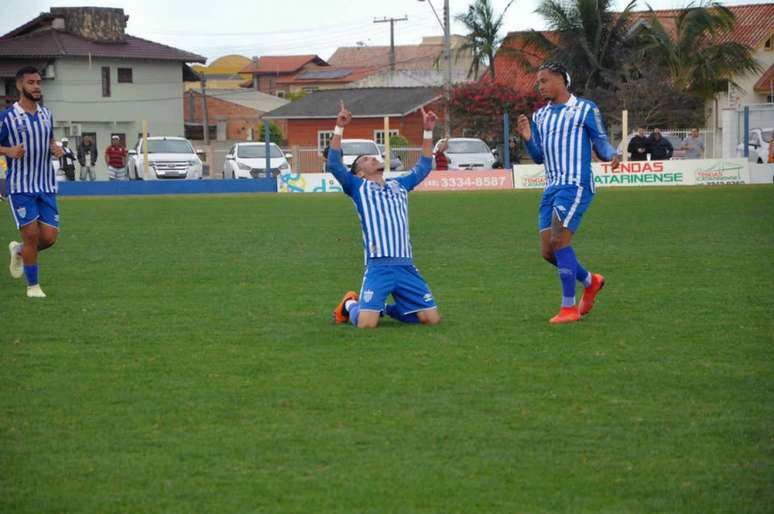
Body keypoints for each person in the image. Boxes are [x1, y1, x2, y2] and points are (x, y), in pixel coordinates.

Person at [516, 61, 619, 324]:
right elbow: (539, 157)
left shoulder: (585, 108)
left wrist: (612, 155)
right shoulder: (540, 116)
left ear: (562, 79)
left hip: (575, 185)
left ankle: (568, 308)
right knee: (548, 252)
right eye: (538, 82)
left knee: (560, 241)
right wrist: (528, 137)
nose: (540, 86)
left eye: (544, 80)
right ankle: (590, 281)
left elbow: (601, 140)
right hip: (551, 187)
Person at [330, 100, 441, 329]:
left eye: (374, 156)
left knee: (431, 320)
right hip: (378, 266)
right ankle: (350, 304)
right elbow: (334, 164)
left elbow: (424, 165)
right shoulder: (358, 188)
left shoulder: (400, 185)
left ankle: (383, 308)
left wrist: (428, 132)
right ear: (360, 172)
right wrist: (339, 127)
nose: (373, 158)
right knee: (366, 325)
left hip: (406, 265)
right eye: (366, 159)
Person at [1, 66, 64, 298]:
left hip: (46, 184)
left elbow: (48, 142)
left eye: (38, 82)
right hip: (20, 186)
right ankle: (33, 287)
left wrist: (55, 149)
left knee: (48, 238)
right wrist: (8, 149)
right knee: (31, 235)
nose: (36, 86)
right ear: (20, 86)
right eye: (31, 82)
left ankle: (18, 251)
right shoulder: (7, 117)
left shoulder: (47, 114)